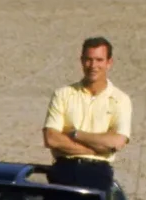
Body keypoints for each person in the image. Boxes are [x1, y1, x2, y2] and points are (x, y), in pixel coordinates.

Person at [42, 37, 131, 190]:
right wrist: (96, 149)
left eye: (99, 60)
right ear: (82, 61)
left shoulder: (120, 99)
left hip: (98, 173)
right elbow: (51, 138)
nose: (93, 66)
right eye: (88, 60)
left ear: (109, 63)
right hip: (63, 170)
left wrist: (75, 134)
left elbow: (116, 142)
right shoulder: (63, 94)